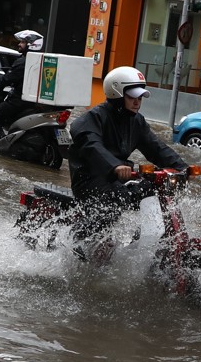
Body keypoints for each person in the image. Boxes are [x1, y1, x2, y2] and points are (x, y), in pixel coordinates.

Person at [66, 66, 189, 260]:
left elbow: (155, 147)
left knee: (154, 188)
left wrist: (183, 168)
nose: (137, 101)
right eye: (132, 96)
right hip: (91, 179)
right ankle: (77, 239)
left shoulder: (136, 121)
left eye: (140, 97)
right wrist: (114, 165)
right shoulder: (94, 117)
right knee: (120, 196)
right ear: (116, 94)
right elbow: (92, 145)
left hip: (119, 178)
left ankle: (144, 242)